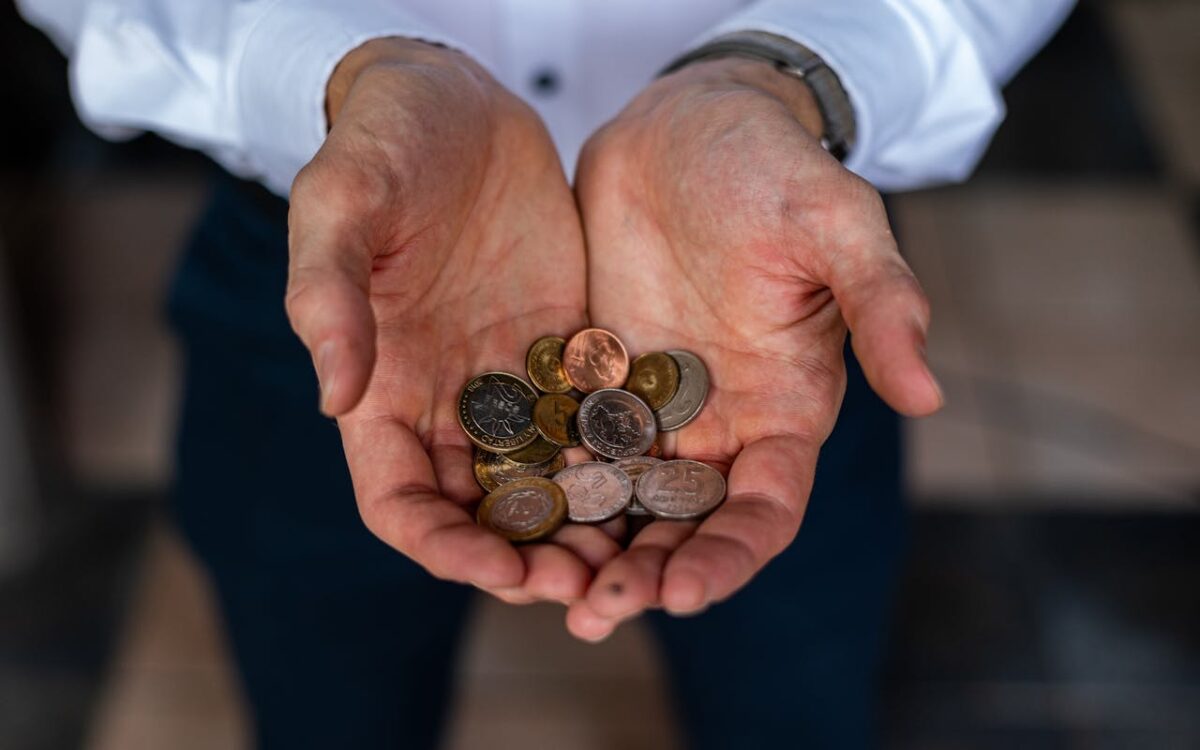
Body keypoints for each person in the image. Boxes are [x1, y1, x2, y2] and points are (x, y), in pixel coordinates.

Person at [19, 1, 1075, 747]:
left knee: (793, 702)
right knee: (322, 703)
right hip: (346, 263)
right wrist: (336, 73)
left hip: (763, 297)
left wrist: (792, 74)